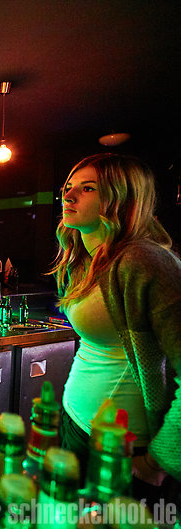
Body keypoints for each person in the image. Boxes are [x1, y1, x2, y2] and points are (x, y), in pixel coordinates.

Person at [50, 153, 181, 493]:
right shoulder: (86, 258)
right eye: (68, 187)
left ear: (123, 198)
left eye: (88, 188)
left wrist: (160, 460)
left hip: (123, 448)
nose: (68, 196)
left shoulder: (144, 260)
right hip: (78, 423)